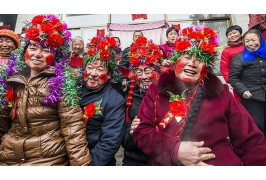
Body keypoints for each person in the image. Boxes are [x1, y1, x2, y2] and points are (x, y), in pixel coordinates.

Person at [133, 25, 266, 166]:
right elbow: (142, 132)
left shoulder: (222, 93)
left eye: (200, 59)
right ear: (176, 60)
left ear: (206, 68)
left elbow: (250, 141)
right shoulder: (156, 90)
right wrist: (175, 150)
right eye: (187, 56)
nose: (192, 64)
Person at [0, 14, 91, 166]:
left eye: (46, 50)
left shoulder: (62, 84)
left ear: (55, 56)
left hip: (48, 159)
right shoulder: (10, 80)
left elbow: (73, 131)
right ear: (24, 51)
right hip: (8, 157)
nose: (37, 54)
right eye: (33, 48)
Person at [81, 36, 125, 165]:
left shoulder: (115, 100)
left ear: (109, 74)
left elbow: (110, 142)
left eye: (100, 69)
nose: (93, 73)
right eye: (90, 67)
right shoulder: (73, 90)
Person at [122, 36, 162, 166]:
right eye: (139, 72)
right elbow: (123, 141)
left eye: (148, 71)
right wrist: (134, 132)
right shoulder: (128, 99)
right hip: (134, 160)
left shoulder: (169, 97)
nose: (143, 77)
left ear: (157, 72)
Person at [229, 29, 266, 136]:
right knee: (257, 126)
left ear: (260, 40)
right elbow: (233, 77)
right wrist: (243, 90)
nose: (251, 44)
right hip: (251, 97)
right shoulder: (239, 57)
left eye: (253, 40)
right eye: (247, 41)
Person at [220, 25, 244, 102]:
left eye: (234, 33)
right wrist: (231, 81)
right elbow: (224, 68)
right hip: (238, 81)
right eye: (229, 34)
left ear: (240, 33)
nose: (232, 35)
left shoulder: (248, 46)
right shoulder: (226, 51)